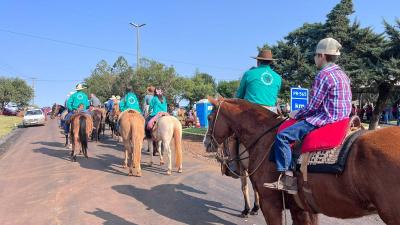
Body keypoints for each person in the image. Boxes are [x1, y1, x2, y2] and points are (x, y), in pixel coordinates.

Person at [264, 38, 352, 194]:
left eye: (316, 55)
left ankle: (288, 178)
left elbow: (313, 106)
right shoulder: (342, 74)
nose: (314, 58)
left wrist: (295, 113)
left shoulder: (323, 75)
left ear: (322, 56)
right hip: (343, 119)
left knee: (283, 136)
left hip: (325, 119)